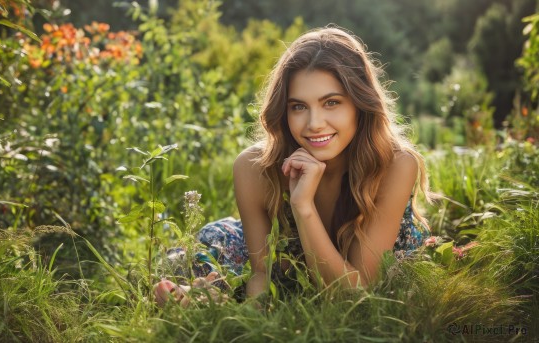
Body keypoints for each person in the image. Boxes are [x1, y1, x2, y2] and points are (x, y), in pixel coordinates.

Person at [154, 25, 432, 306]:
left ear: (360, 104)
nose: (313, 124)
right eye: (298, 107)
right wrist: (245, 314)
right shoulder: (254, 167)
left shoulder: (394, 164)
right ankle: (209, 298)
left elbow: (357, 292)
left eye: (331, 102)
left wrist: (303, 206)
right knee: (193, 261)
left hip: (358, 271)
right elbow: (264, 275)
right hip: (278, 262)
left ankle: (211, 296)